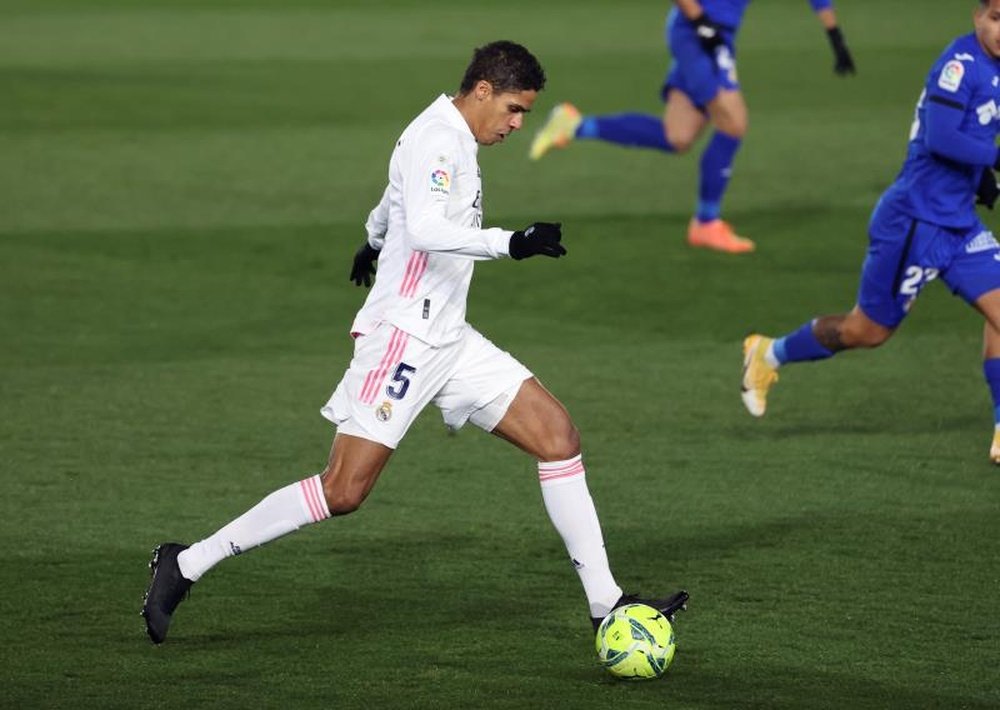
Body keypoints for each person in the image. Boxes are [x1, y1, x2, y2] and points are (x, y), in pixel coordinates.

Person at [141, 41, 688, 645]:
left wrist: (372, 239)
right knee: (343, 491)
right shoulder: (438, 137)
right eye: (512, 109)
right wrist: (513, 242)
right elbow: (427, 228)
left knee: (558, 438)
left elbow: (396, 201)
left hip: (450, 337)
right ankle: (186, 563)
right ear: (482, 90)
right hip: (403, 336)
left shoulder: (448, 137)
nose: (515, 124)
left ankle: (606, 603)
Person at [741, 1, 1000, 463]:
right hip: (915, 222)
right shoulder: (960, 66)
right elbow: (942, 138)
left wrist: (981, 181)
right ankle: (769, 353)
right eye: (997, 18)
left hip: (957, 222)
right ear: (976, 15)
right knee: (867, 331)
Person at [528, 0, 856, 253]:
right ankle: (706, 222)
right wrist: (699, 21)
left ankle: (574, 125)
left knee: (678, 136)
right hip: (695, 33)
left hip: (715, 37)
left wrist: (835, 36)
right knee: (734, 122)